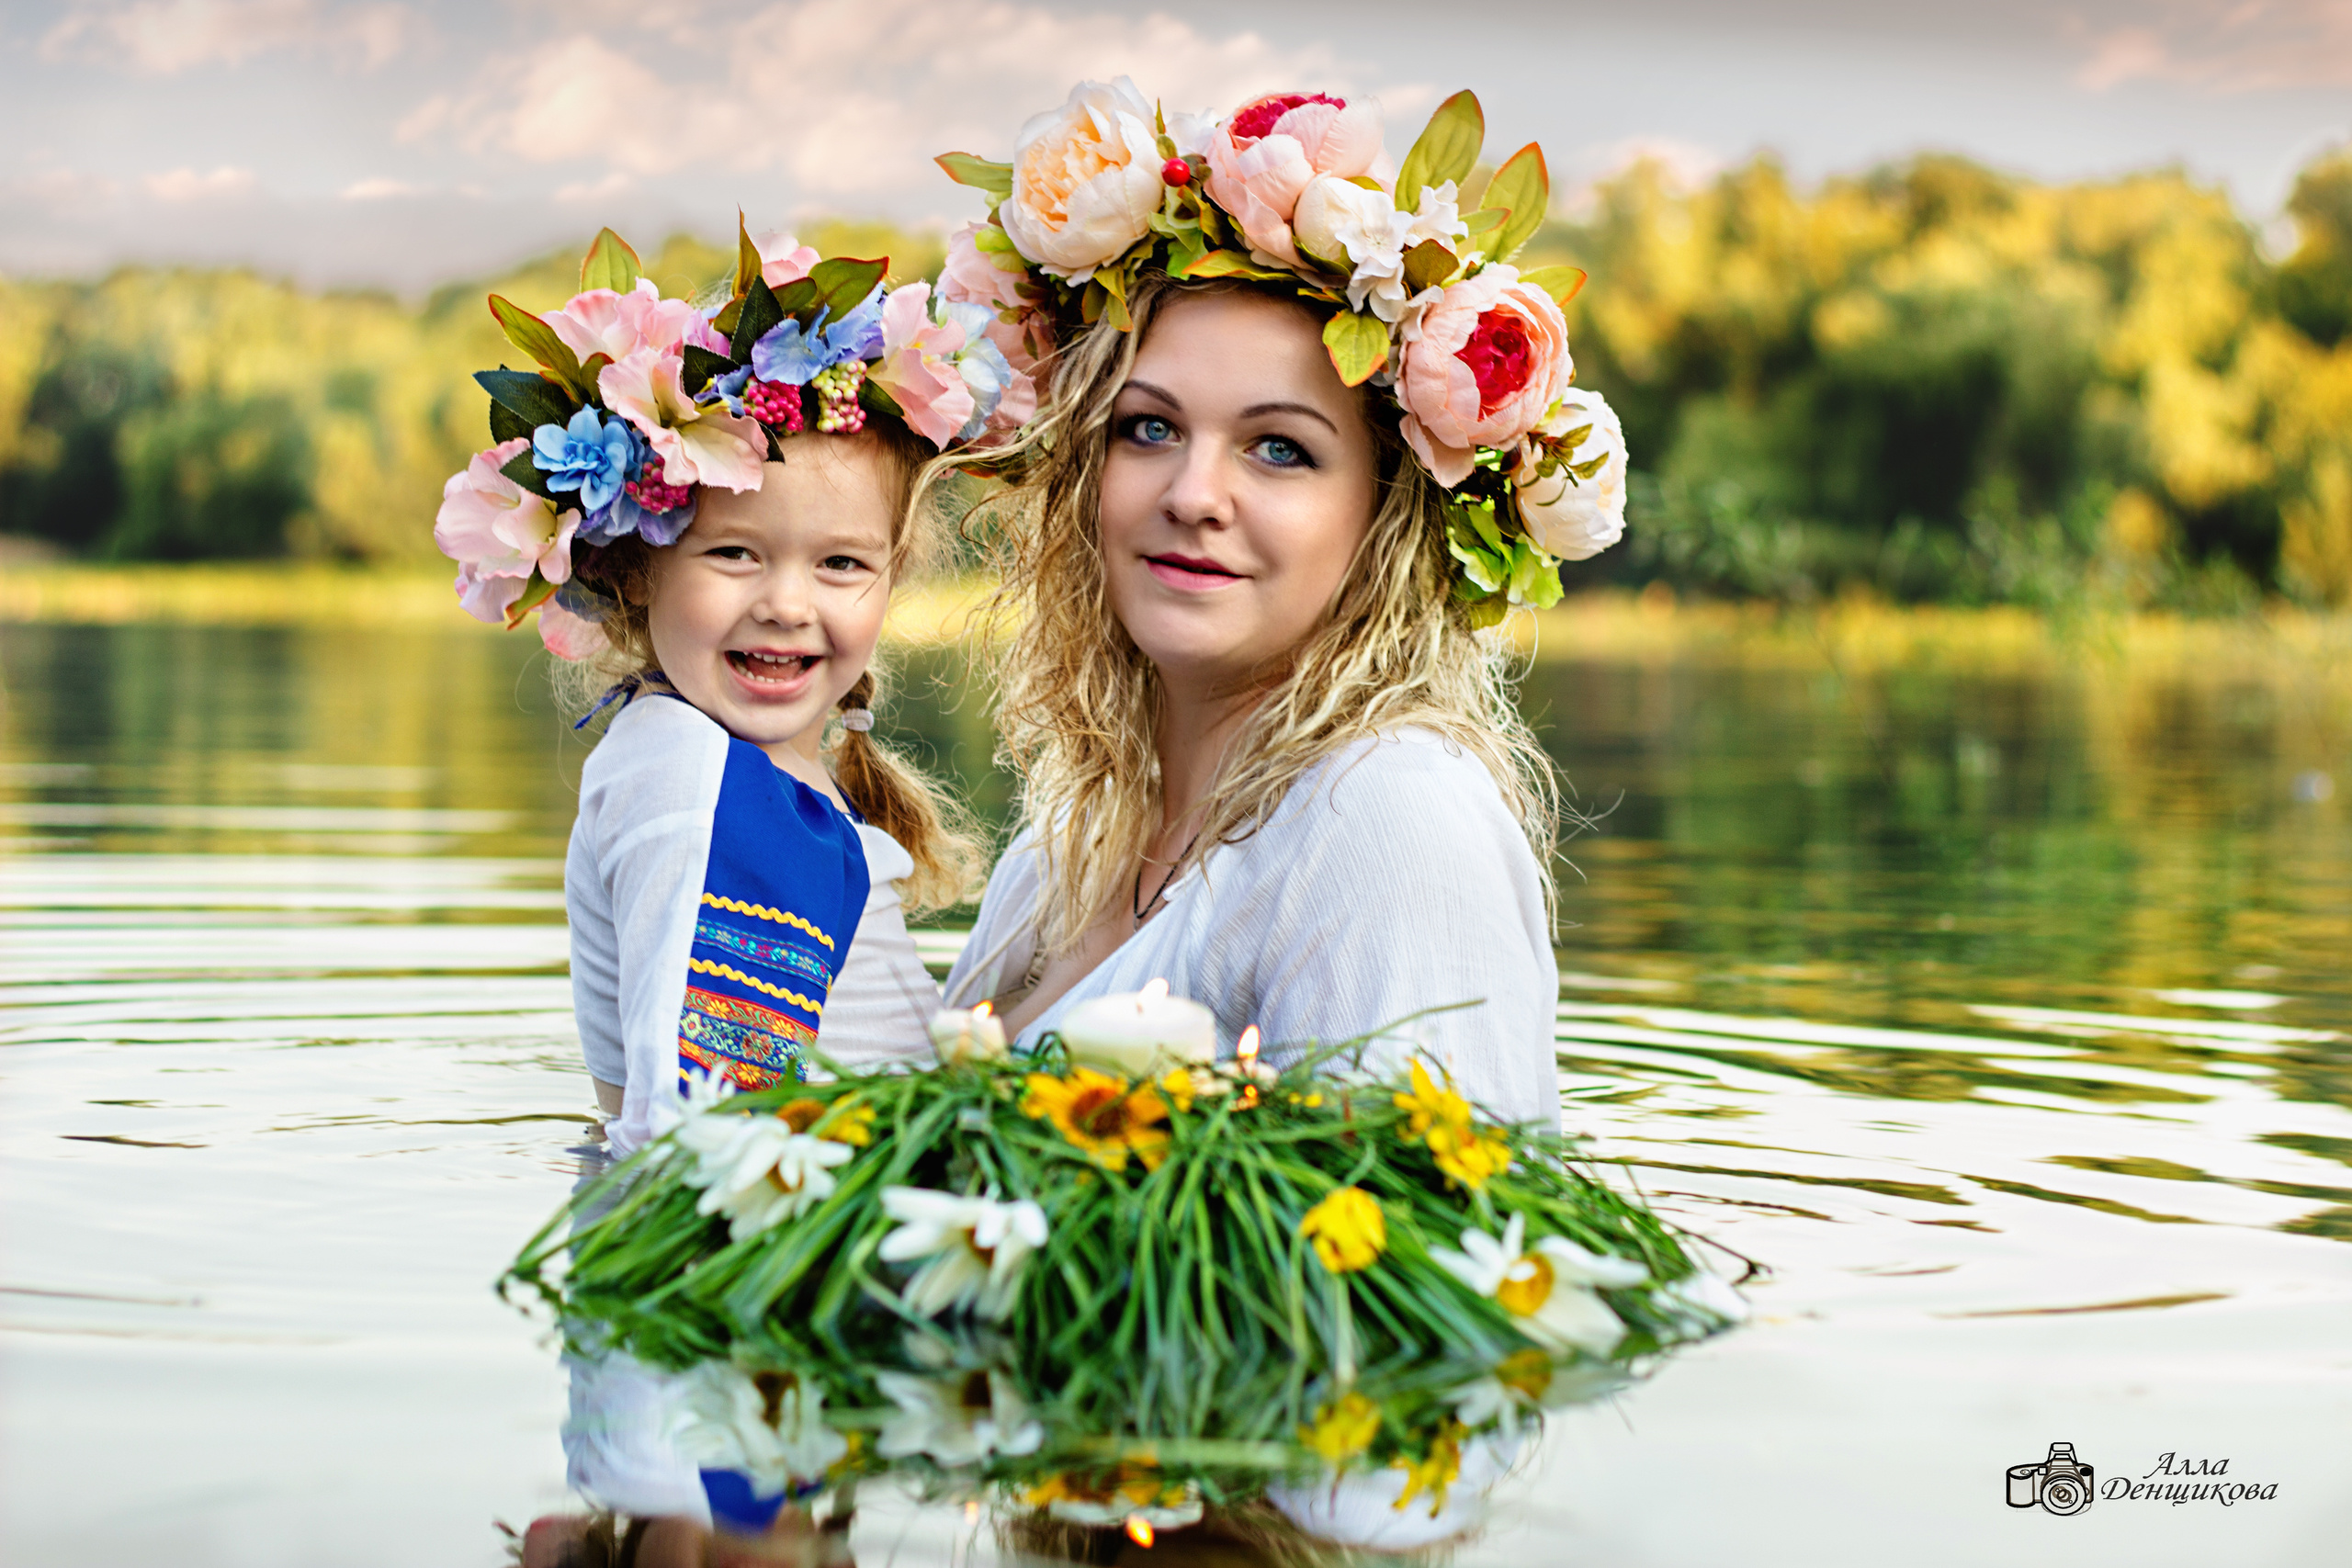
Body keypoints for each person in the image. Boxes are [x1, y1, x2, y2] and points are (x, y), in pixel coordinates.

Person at [934, 80, 1630, 1127]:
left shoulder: (1391, 817)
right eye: (1149, 429)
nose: (1193, 496)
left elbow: (1413, 1254)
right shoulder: (1071, 836)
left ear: (1385, 511)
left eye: (1279, 449)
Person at [434, 235, 1013, 1156]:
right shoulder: (699, 780)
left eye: (840, 564)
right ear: (635, 570)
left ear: (892, 578)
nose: (786, 604)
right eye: (734, 553)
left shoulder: (732, 766)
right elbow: (704, 1127)